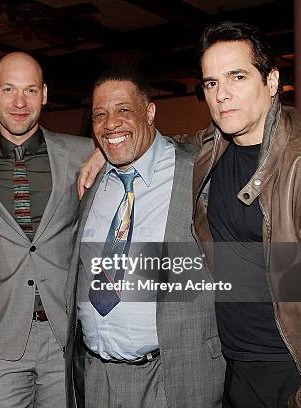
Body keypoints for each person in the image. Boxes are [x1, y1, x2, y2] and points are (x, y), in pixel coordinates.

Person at [78, 21, 301, 407]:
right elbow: (162, 144)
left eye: (237, 77)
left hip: (289, 367)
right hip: (234, 367)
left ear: (272, 81)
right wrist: (109, 145)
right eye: (211, 83)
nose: (222, 95)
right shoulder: (213, 148)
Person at [65, 68, 224, 408]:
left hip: (172, 378)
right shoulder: (90, 181)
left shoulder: (198, 173)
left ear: (150, 113)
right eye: (100, 115)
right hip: (94, 377)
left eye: (124, 110)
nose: (110, 124)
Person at [0, 52, 94, 407]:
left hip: (67, 333)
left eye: (30, 90)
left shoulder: (84, 153)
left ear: (44, 94)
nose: (19, 102)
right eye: (9, 89)